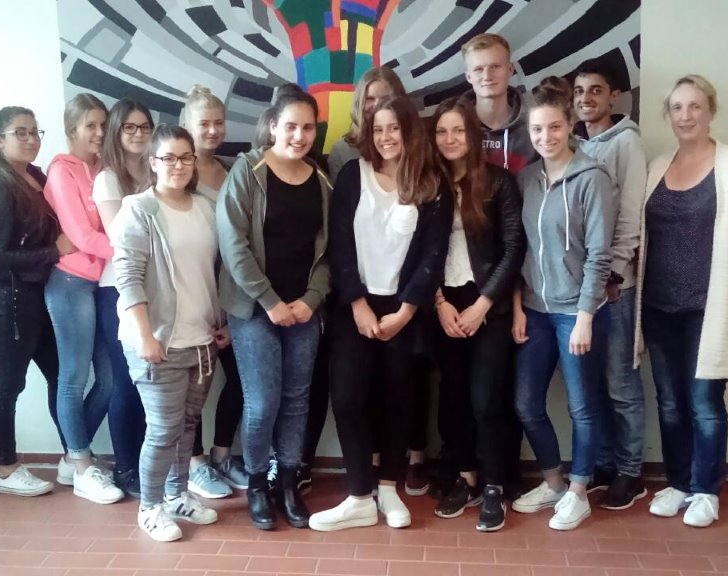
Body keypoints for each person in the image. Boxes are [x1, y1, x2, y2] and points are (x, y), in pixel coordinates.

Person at [309, 95, 453, 532]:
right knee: (348, 398)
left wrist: (406, 311)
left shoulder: (431, 183)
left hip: (404, 310)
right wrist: (357, 304)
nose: (386, 137)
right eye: (378, 129)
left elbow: (433, 254)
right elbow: (338, 244)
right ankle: (358, 496)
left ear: (410, 132)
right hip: (354, 305)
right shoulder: (352, 175)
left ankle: (388, 488)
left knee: (398, 400)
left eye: (394, 128)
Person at [635, 75, 728, 528]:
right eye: (677, 108)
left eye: (695, 106)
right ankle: (679, 483)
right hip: (658, 307)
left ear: (711, 111)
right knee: (670, 402)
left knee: (705, 404)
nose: (686, 116)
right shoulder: (658, 166)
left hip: (711, 310)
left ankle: (706, 490)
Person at [217, 87, 331, 530]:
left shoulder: (321, 179)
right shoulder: (247, 171)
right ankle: (257, 485)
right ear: (272, 126)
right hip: (254, 309)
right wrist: (271, 302)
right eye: (291, 126)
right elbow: (234, 245)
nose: (299, 136)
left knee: (297, 401)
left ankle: (287, 482)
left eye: (308, 128)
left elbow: (329, 250)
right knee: (263, 402)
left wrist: (311, 299)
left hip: (303, 311)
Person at [510, 77, 614, 531]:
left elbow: (600, 254)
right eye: (537, 129)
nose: (545, 137)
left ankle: (578, 491)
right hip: (535, 310)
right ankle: (553, 481)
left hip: (577, 313)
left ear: (570, 125)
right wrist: (518, 307)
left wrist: (585, 317)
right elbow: (521, 250)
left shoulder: (593, 178)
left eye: (554, 127)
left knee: (582, 407)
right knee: (526, 403)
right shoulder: (526, 179)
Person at [112, 125, 225, 542]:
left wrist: (222, 321)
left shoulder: (205, 207)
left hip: (200, 339)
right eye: (169, 158)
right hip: (157, 340)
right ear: (154, 163)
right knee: (162, 429)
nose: (178, 165)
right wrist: (146, 336)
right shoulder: (138, 209)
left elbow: (215, 270)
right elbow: (128, 276)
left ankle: (178, 496)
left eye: (185, 157)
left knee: (187, 424)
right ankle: (150, 507)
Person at [429, 98, 525, 531]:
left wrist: (483, 304)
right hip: (444, 305)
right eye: (441, 131)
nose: (450, 139)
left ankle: (494, 485)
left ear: (472, 134)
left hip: (490, 305)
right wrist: (439, 303)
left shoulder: (498, 182)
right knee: (453, 398)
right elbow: (419, 252)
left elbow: (513, 249)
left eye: (458, 130)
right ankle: (466, 478)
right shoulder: (428, 184)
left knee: (487, 400)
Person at [0, 106, 74, 497]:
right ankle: (6, 469)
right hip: (5, 298)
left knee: (61, 376)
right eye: (21, 132)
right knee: (8, 385)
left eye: (35, 132)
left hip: (37, 293)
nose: (31, 139)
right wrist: (55, 251)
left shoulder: (35, 176)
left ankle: (73, 457)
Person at [571, 58, 649, 509]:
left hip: (615, 287)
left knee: (621, 382)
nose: (586, 99)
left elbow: (630, 215)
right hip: (583, 289)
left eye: (596, 90)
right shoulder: (574, 145)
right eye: (580, 91)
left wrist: (613, 275)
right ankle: (603, 464)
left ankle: (630, 472)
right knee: (593, 384)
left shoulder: (626, 144)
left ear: (614, 95)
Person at [44, 93, 122, 504]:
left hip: (99, 285)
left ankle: (74, 456)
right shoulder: (62, 170)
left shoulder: (103, 169)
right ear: (71, 130)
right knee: (73, 379)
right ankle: (81, 465)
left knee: (110, 380)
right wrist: (132, 252)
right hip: (70, 283)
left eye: (103, 124)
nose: (99, 132)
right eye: (90, 125)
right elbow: (80, 235)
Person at [181, 85, 250, 497]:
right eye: (203, 123)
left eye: (218, 122)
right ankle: (194, 465)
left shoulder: (232, 169)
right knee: (191, 390)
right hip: (192, 294)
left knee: (241, 380)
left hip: (231, 295)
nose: (212, 130)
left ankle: (222, 455)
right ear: (187, 125)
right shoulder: (178, 173)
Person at [93, 98, 154, 499]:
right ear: (116, 132)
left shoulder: (157, 169)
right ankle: (125, 466)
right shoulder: (108, 179)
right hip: (117, 288)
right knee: (125, 382)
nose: (137, 134)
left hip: (155, 287)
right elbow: (121, 238)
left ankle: (149, 466)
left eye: (144, 127)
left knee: (150, 382)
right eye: (129, 127)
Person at [459, 33, 538, 174]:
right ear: (468, 76)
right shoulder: (452, 129)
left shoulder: (536, 125)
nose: (487, 76)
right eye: (478, 69)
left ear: (510, 70)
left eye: (495, 66)